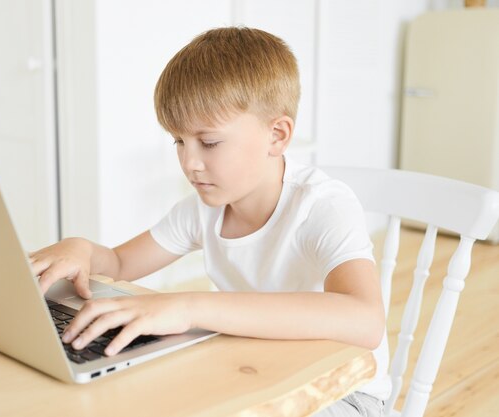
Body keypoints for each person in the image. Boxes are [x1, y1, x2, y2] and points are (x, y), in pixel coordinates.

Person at [30, 26, 390, 416]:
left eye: (210, 143)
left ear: (277, 135)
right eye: (179, 142)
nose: (189, 163)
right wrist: (81, 249)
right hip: (258, 374)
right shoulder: (203, 209)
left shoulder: (322, 206)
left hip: (343, 391)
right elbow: (119, 264)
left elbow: (364, 320)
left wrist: (191, 307)